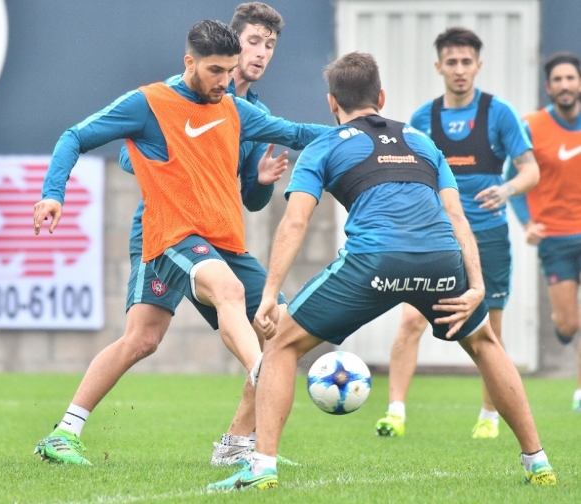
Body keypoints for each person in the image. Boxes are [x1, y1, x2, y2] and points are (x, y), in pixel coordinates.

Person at [209, 52, 557, 490]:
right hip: (443, 261)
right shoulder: (423, 142)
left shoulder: (324, 145)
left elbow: (295, 221)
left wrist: (269, 295)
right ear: (382, 97)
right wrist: (478, 286)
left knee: (280, 344)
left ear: (332, 103)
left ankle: (261, 469)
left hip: (374, 261)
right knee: (486, 343)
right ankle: (537, 462)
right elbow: (456, 217)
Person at [33, 19, 327, 466]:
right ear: (189, 62)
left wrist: (358, 134)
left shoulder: (234, 107)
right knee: (224, 299)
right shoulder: (149, 103)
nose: (224, 82)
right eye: (215, 71)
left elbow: (296, 134)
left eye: (230, 71)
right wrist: (53, 193)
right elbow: (75, 136)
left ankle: (234, 445)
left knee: (273, 327)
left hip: (224, 241)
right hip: (171, 235)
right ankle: (258, 370)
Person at [375, 27, 540, 440]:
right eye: (452, 62)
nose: (460, 69)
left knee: (490, 330)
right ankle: (395, 412)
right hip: (436, 238)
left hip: (487, 236)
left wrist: (506, 189)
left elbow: (530, 170)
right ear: (439, 67)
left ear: (478, 66)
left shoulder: (498, 113)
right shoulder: (422, 120)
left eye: (467, 62)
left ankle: (488, 416)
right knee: (411, 320)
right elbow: (405, 176)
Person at [507, 51, 581, 411]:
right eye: (558, 80)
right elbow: (512, 175)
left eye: (570, 78)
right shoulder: (531, 125)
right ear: (548, 87)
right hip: (554, 237)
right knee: (570, 322)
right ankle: (563, 326)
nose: (565, 85)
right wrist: (526, 222)